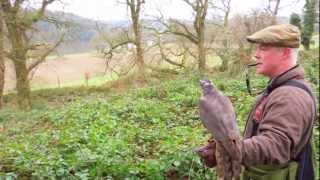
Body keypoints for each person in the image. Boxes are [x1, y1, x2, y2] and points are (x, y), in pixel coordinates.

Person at [196, 24, 317, 180]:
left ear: (285, 53)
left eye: (263, 48)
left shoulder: (290, 96)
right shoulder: (279, 87)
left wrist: (229, 143)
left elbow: (274, 147)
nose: (256, 55)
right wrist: (220, 149)